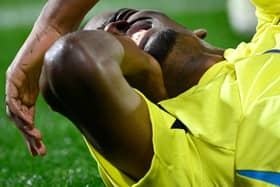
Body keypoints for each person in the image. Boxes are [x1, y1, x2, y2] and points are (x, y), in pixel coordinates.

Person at [5, 0, 280, 186]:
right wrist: (52, 31)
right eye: (108, 39)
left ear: (197, 33)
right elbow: (73, 60)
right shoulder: (178, 152)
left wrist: (54, 23)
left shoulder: (274, 24)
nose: (116, 27)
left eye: (125, 17)